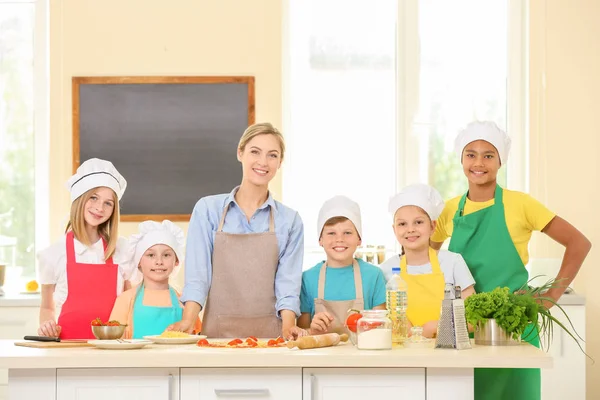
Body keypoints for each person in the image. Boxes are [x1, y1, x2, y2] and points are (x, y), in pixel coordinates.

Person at [431, 121, 592, 399]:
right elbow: (426, 259)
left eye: (488, 155)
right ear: (461, 159)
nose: (479, 162)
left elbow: (579, 243)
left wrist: (551, 296)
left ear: (500, 161)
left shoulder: (521, 204)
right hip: (465, 326)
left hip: (514, 325)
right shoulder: (449, 209)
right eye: (471, 154)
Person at [169, 123, 305, 340]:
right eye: (255, 152)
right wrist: (188, 320)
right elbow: (198, 276)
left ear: (280, 163)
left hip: (271, 339)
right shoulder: (208, 210)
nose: (263, 162)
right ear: (240, 153)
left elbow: (287, 284)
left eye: (272, 155)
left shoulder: (290, 221)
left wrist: (289, 327)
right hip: (216, 337)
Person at [37, 158, 134, 339]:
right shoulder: (53, 254)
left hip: (113, 348)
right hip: (68, 349)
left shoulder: (122, 250)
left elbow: (131, 304)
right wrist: (46, 326)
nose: (99, 208)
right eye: (94, 197)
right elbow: (47, 307)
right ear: (79, 198)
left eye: (108, 203)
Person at [381, 184, 475, 338]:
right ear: (394, 229)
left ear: (433, 226)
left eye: (418, 222)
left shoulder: (453, 262)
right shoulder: (386, 269)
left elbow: (473, 317)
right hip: (403, 352)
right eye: (402, 224)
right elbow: (381, 317)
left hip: (448, 353)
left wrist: (438, 326)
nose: (410, 229)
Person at [298, 196, 386, 335]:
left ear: (359, 239)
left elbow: (382, 329)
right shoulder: (308, 278)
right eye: (331, 233)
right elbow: (302, 332)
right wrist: (312, 330)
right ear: (320, 239)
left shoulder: (374, 276)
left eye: (347, 233)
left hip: (365, 355)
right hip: (321, 356)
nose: (339, 239)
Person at [109, 220, 201, 338]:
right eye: (151, 255)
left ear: (177, 261)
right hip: (135, 357)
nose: (159, 262)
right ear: (138, 262)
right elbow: (114, 342)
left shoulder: (185, 302)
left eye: (166, 255)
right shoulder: (126, 300)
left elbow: (197, 337)